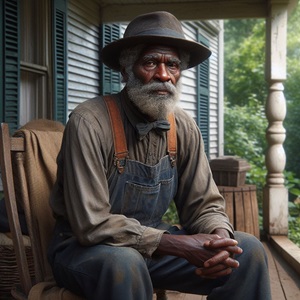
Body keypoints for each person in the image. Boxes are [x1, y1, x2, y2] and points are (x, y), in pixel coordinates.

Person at [48, 11, 271, 300]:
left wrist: (218, 238)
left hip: (153, 249)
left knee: (247, 252)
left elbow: (203, 203)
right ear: (126, 70)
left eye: (173, 65)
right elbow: (91, 224)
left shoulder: (183, 126)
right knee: (124, 263)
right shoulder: (89, 121)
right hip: (85, 251)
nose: (164, 75)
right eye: (151, 62)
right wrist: (177, 245)